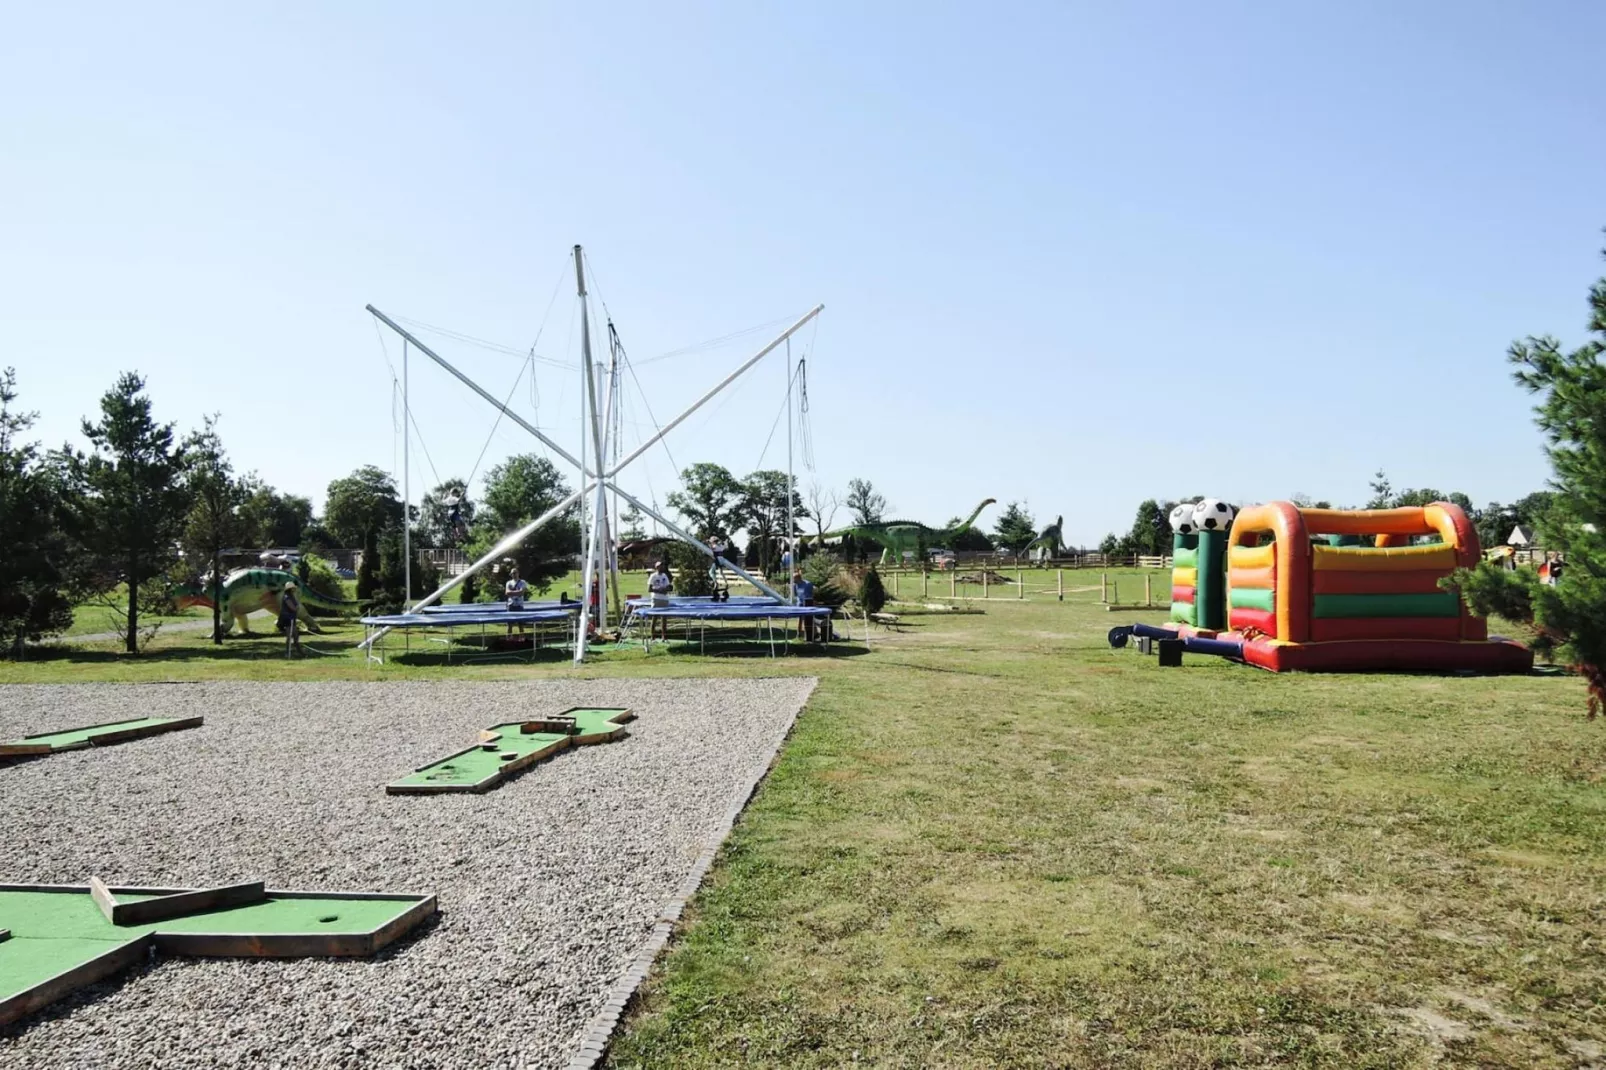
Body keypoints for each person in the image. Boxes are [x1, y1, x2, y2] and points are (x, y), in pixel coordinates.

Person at [647, 560, 673, 641]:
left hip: (664, 599)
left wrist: (666, 589)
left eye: (662, 566)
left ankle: (664, 637)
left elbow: (669, 587)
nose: (661, 567)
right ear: (656, 567)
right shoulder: (653, 576)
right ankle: (652, 636)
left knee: (664, 619)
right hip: (656, 599)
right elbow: (649, 589)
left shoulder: (665, 576)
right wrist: (660, 591)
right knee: (654, 618)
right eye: (659, 566)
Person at [792, 568, 819, 642]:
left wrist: (814, 601)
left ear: (798, 578)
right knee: (800, 619)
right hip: (799, 604)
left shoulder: (807, 584)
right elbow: (796, 594)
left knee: (808, 619)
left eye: (794, 578)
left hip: (807, 604)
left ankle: (814, 633)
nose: (793, 580)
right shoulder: (795, 585)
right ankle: (799, 633)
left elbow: (813, 592)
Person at [277, 581, 302, 653]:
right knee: (289, 636)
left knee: (296, 635)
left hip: (292, 618)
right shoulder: (286, 596)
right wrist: (296, 608)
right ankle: (288, 652)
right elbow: (292, 608)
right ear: (290, 589)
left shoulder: (291, 595)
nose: (294, 589)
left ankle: (299, 651)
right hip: (288, 618)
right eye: (293, 588)